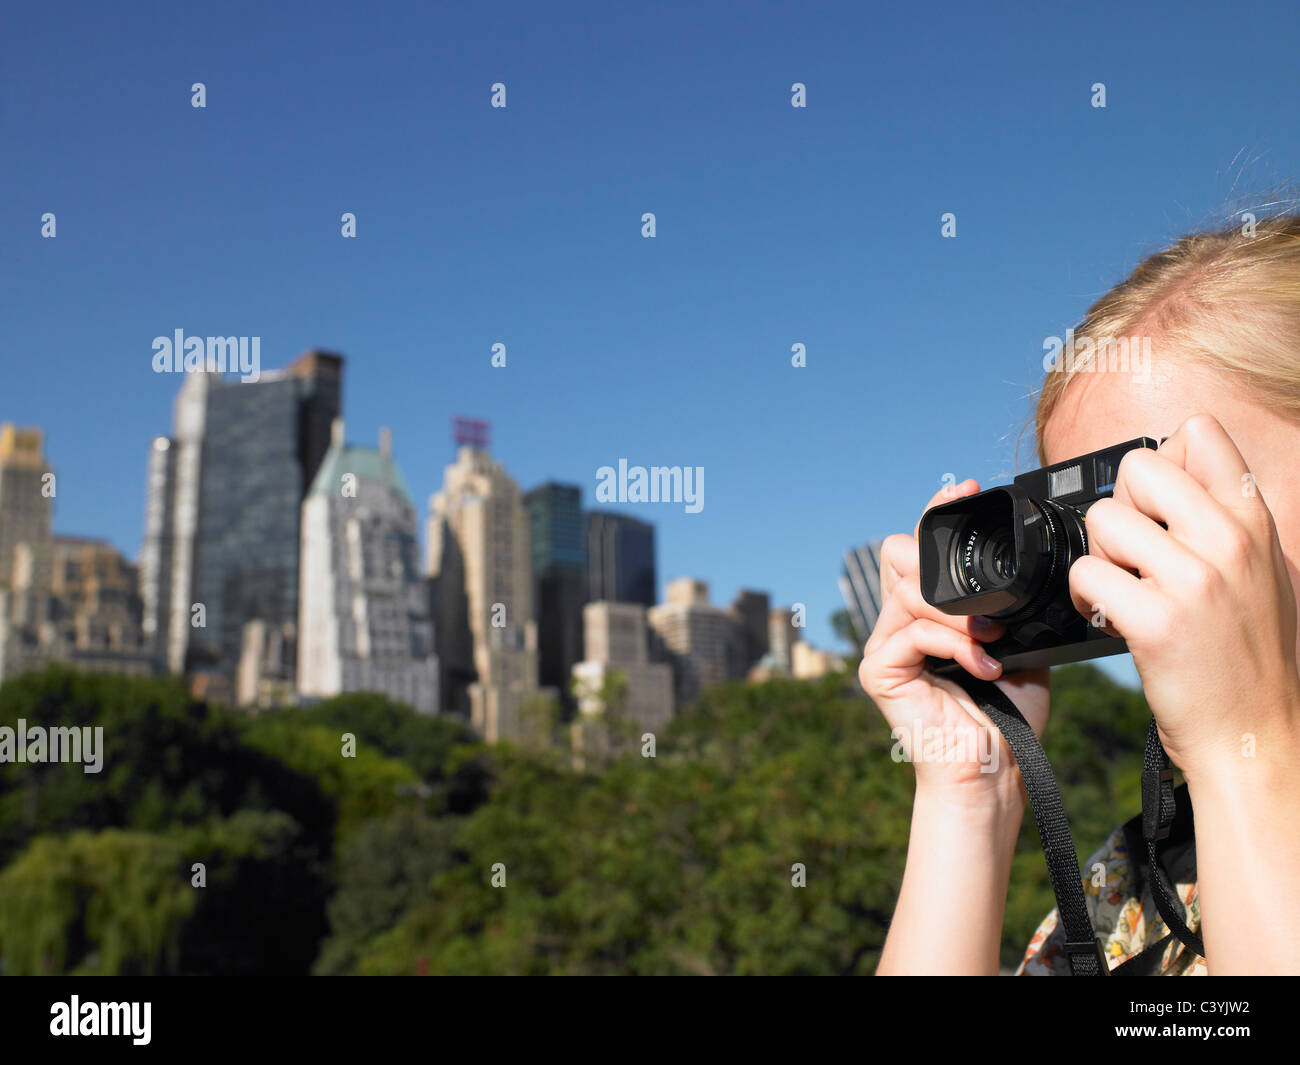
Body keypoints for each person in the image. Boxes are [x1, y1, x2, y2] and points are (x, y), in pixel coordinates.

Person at [862, 209, 1300, 975]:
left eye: (1167, 497)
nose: (1131, 570)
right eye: (1089, 524)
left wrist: (1243, 752)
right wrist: (974, 794)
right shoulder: (1138, 883)